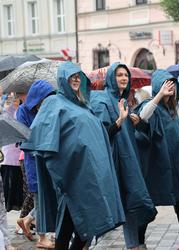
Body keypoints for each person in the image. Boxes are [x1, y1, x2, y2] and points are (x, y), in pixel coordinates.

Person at [21, 62, 125, 250]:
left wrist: (117, 124)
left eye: (79, 76)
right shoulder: (54, 102)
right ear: (63, 79)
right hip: (71, 175)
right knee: (70, 223)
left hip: (91, 175)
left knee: (86, 224)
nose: (76, 79)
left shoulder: (83, 105)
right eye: (72, 76)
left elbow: (97, 135)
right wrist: (61, 170)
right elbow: (42, 136)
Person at [90, 62, 156, 250]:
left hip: (127, 163)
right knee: (103, 207)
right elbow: (102, 134)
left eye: (126, 75)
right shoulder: (101, 100)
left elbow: (131, 136)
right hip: (111, 163)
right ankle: (82, 243)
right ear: (111, 78)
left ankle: (133, 246)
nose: (123, 78)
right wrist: (119, 120)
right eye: (119, 75)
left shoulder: (125, 102)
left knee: (131, 204)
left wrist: (135, 122)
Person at [135, 69, 179, 246]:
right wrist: (159, 95)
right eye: (165, 85)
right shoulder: (150, 105)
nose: (170, 89)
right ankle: (138, 242)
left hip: (175, 167)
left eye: (172, 86)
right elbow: (142, 118)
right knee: (149, 205)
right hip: (157, 167)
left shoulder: (172, 110)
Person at [16, 81, 55, 248]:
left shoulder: (47, 110)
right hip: (33, 161)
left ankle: (26, 220)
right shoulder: (23, 111)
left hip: (47, 160)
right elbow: (22, 139)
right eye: (43, 99)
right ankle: (42, 238)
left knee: (46, 198)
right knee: (40, 199)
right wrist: (39, 117)